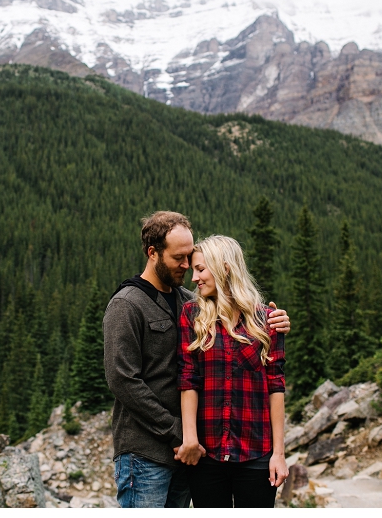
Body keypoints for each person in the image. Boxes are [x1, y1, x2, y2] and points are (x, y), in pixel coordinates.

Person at [103, 211, 290, 508]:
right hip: (147, 451)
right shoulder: (127, 304)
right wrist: (180, 433)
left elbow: (234, 316)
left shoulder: (188, 301)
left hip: (189, 455)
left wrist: (275, 321)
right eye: (180, 258)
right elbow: (122, 380)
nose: (188, 267)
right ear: (153, 253)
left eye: (191, 258)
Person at [175, 234, 288, 508]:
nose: (194, 278)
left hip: (256, 453)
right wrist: (190, 438)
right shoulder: (192, 315)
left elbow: (276, 386)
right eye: (193, 270)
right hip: (207, 456)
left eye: (200, 269)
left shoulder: (267, 320)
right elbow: (188, 379)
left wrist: (279, 454)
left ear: (225, 268)